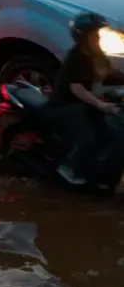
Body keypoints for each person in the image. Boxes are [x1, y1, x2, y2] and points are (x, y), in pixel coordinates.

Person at [49, 12, 119, 185]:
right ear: (83, 37)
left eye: (98, 35)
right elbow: (76, 87)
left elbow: (108, 73)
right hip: (68, 104)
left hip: (88, 102)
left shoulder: (96, 54)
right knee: (88, 136)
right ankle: (70, 167)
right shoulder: (76, 57)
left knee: (111, 131)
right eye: (94, 35)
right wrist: (100, 104)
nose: (97, 38)